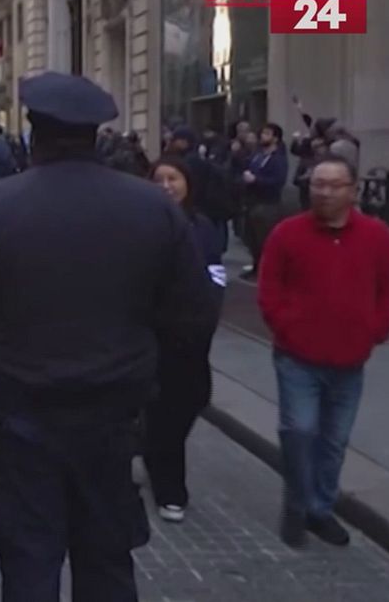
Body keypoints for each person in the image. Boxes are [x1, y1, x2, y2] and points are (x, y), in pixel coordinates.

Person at [0, 72, 210, 602]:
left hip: (22, 416)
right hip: (113, 419)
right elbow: (191, 315)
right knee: (106, 565)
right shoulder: (153, 208)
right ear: (95, 135)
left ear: (33, 133)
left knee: (29, 567)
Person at [258, 156, 389, 548]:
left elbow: (387, 288)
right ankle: (298, 503)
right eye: (318, 184)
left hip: (350, 359)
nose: (324, 192)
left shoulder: (376, 236)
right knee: (299, 431)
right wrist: (286, 324)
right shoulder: (288, 234)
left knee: (334, 440)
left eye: (334, 185)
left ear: (353, 190)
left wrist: (377, 328)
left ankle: (319, 508)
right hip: (297, 356)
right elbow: (269, 287)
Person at [144, 158, 226, 524]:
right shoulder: (139, 223)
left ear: (187, 183)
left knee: (192, 399)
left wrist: (208, 312)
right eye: (158, 179)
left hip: (193, 336)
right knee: (162, 411)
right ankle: (170, 487)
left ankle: (150, 451)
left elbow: (216, 272)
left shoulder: (202, 226)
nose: (165, 185)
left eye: (172, 178)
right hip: (150, 335)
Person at [241, 123, 289, 280]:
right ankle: (256, 267)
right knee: (252, 238)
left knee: (264, 238)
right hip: (252, 201)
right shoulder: (258, 155)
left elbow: (277, 180)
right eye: (262, 133)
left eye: (267, 134)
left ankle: (267, 271)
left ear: (275, 138)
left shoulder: (278, 158)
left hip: (268, 203)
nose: (263, 136)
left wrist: (256, 180)